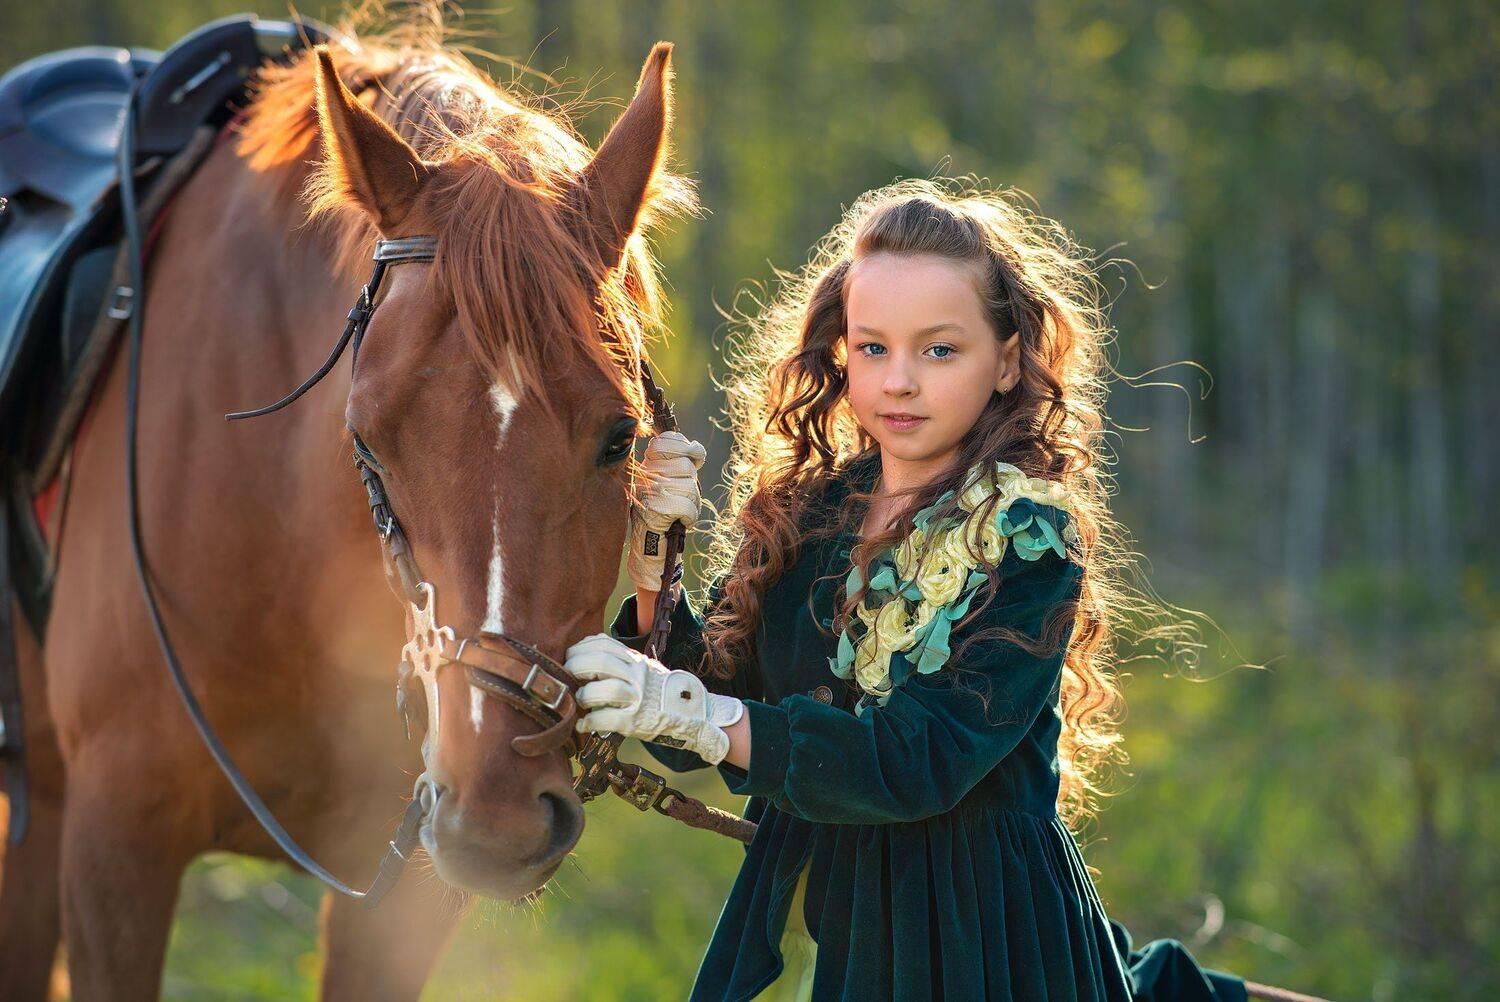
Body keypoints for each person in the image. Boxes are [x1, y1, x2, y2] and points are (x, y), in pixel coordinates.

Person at [563, 178, 1245, 1002]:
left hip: (979, 939)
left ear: (1008, 362)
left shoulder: (1026, 538)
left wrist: (701, 716)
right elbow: (697, 725)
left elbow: (915, 764)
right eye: (873, 348)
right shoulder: (811, 512)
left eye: (939, 350)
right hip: (829, 925)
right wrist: (657, 568)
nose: (899, 382)